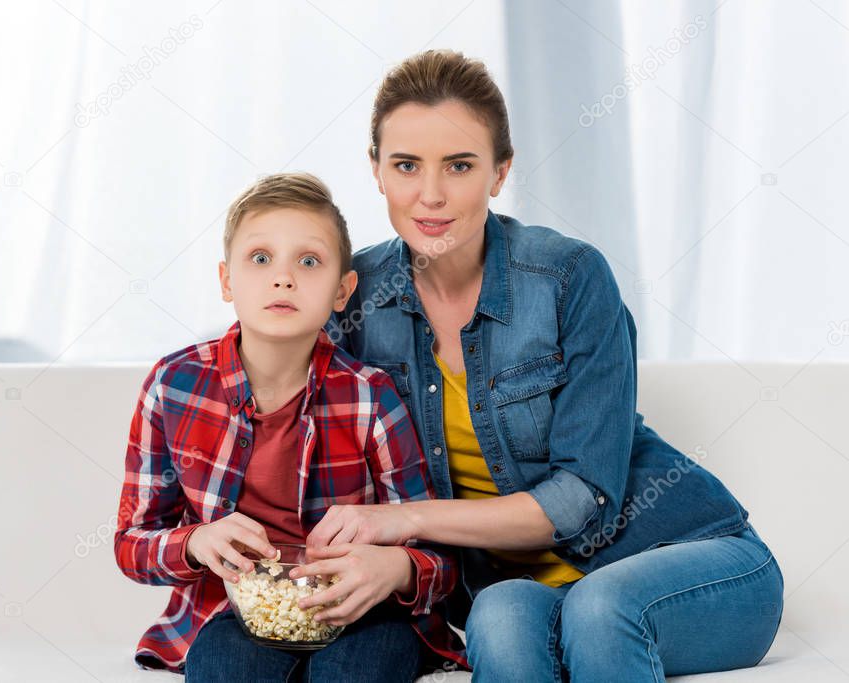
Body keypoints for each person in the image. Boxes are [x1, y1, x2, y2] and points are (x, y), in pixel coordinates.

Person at [311, 50, 784, 682]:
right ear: (375, 171)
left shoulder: (568, 277)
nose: (430, 194)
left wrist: (404, 520)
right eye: (405, 165)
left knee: (599, 608)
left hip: (693, 560)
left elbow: (581, 498)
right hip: (518, 583)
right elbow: (273, 374)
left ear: (500, 172)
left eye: (459, 165)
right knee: (497, 619)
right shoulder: (355, 297)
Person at [113, 172, 467, 680]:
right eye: (260, 259)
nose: (283, 278)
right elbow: (132, 542)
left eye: (309, 261)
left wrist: (398, 569)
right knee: (224, 672)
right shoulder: (174, 386)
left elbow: (437, 552)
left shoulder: (370, 395)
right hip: (234, 612)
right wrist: (195, 542)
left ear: (343, 290)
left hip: (364, 612)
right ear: (226, 280)